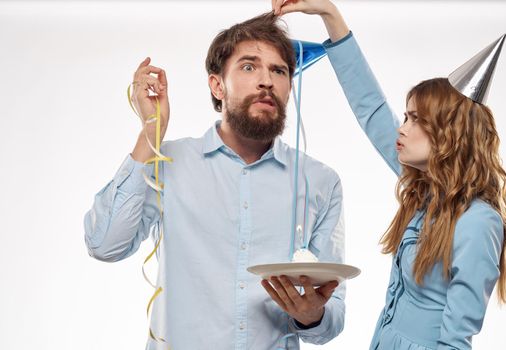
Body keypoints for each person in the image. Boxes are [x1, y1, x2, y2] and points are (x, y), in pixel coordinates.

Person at [84, 13, 346, 349]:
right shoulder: (168, 163)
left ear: (289, 88)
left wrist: (312, 315)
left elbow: (333, 315)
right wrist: (151, 131)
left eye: (279, 70)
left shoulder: (321, 182)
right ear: (217, 85)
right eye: (249, 67)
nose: (266, 80)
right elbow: (104, 245)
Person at [272, 0, 506, 349]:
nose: (401, 129)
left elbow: (455, 341)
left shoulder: (479, 222)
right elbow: (371, 108)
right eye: (405, 117)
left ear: (449, 135)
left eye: (415, 119)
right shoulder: (426, 193)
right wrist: (329, 13)